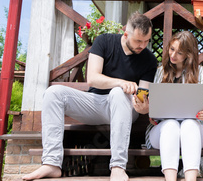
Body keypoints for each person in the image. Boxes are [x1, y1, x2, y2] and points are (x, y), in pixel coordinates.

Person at [23, 12, 158, 181]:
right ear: (125, 34)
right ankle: (51, 163)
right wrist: (121, 82)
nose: (142, 46)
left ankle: (117, 166)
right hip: (95, 104)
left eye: (147, 41)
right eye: (138, 41)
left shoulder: (150, 60)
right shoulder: (104, 41)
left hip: (125, 108)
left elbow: (142, 95)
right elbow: (92, 78)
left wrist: (144, 106)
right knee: (53, 93)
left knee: (117, 93)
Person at [133, 31, 203, 181]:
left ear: (188, 54)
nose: (173, 55)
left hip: (195, 130)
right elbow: (154, 113)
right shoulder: (161, 72)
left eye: (179, 52)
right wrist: (149, 111)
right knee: (170, 125)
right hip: (163, 130)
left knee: (189, 124)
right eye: (171, 49)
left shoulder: (201, 72)